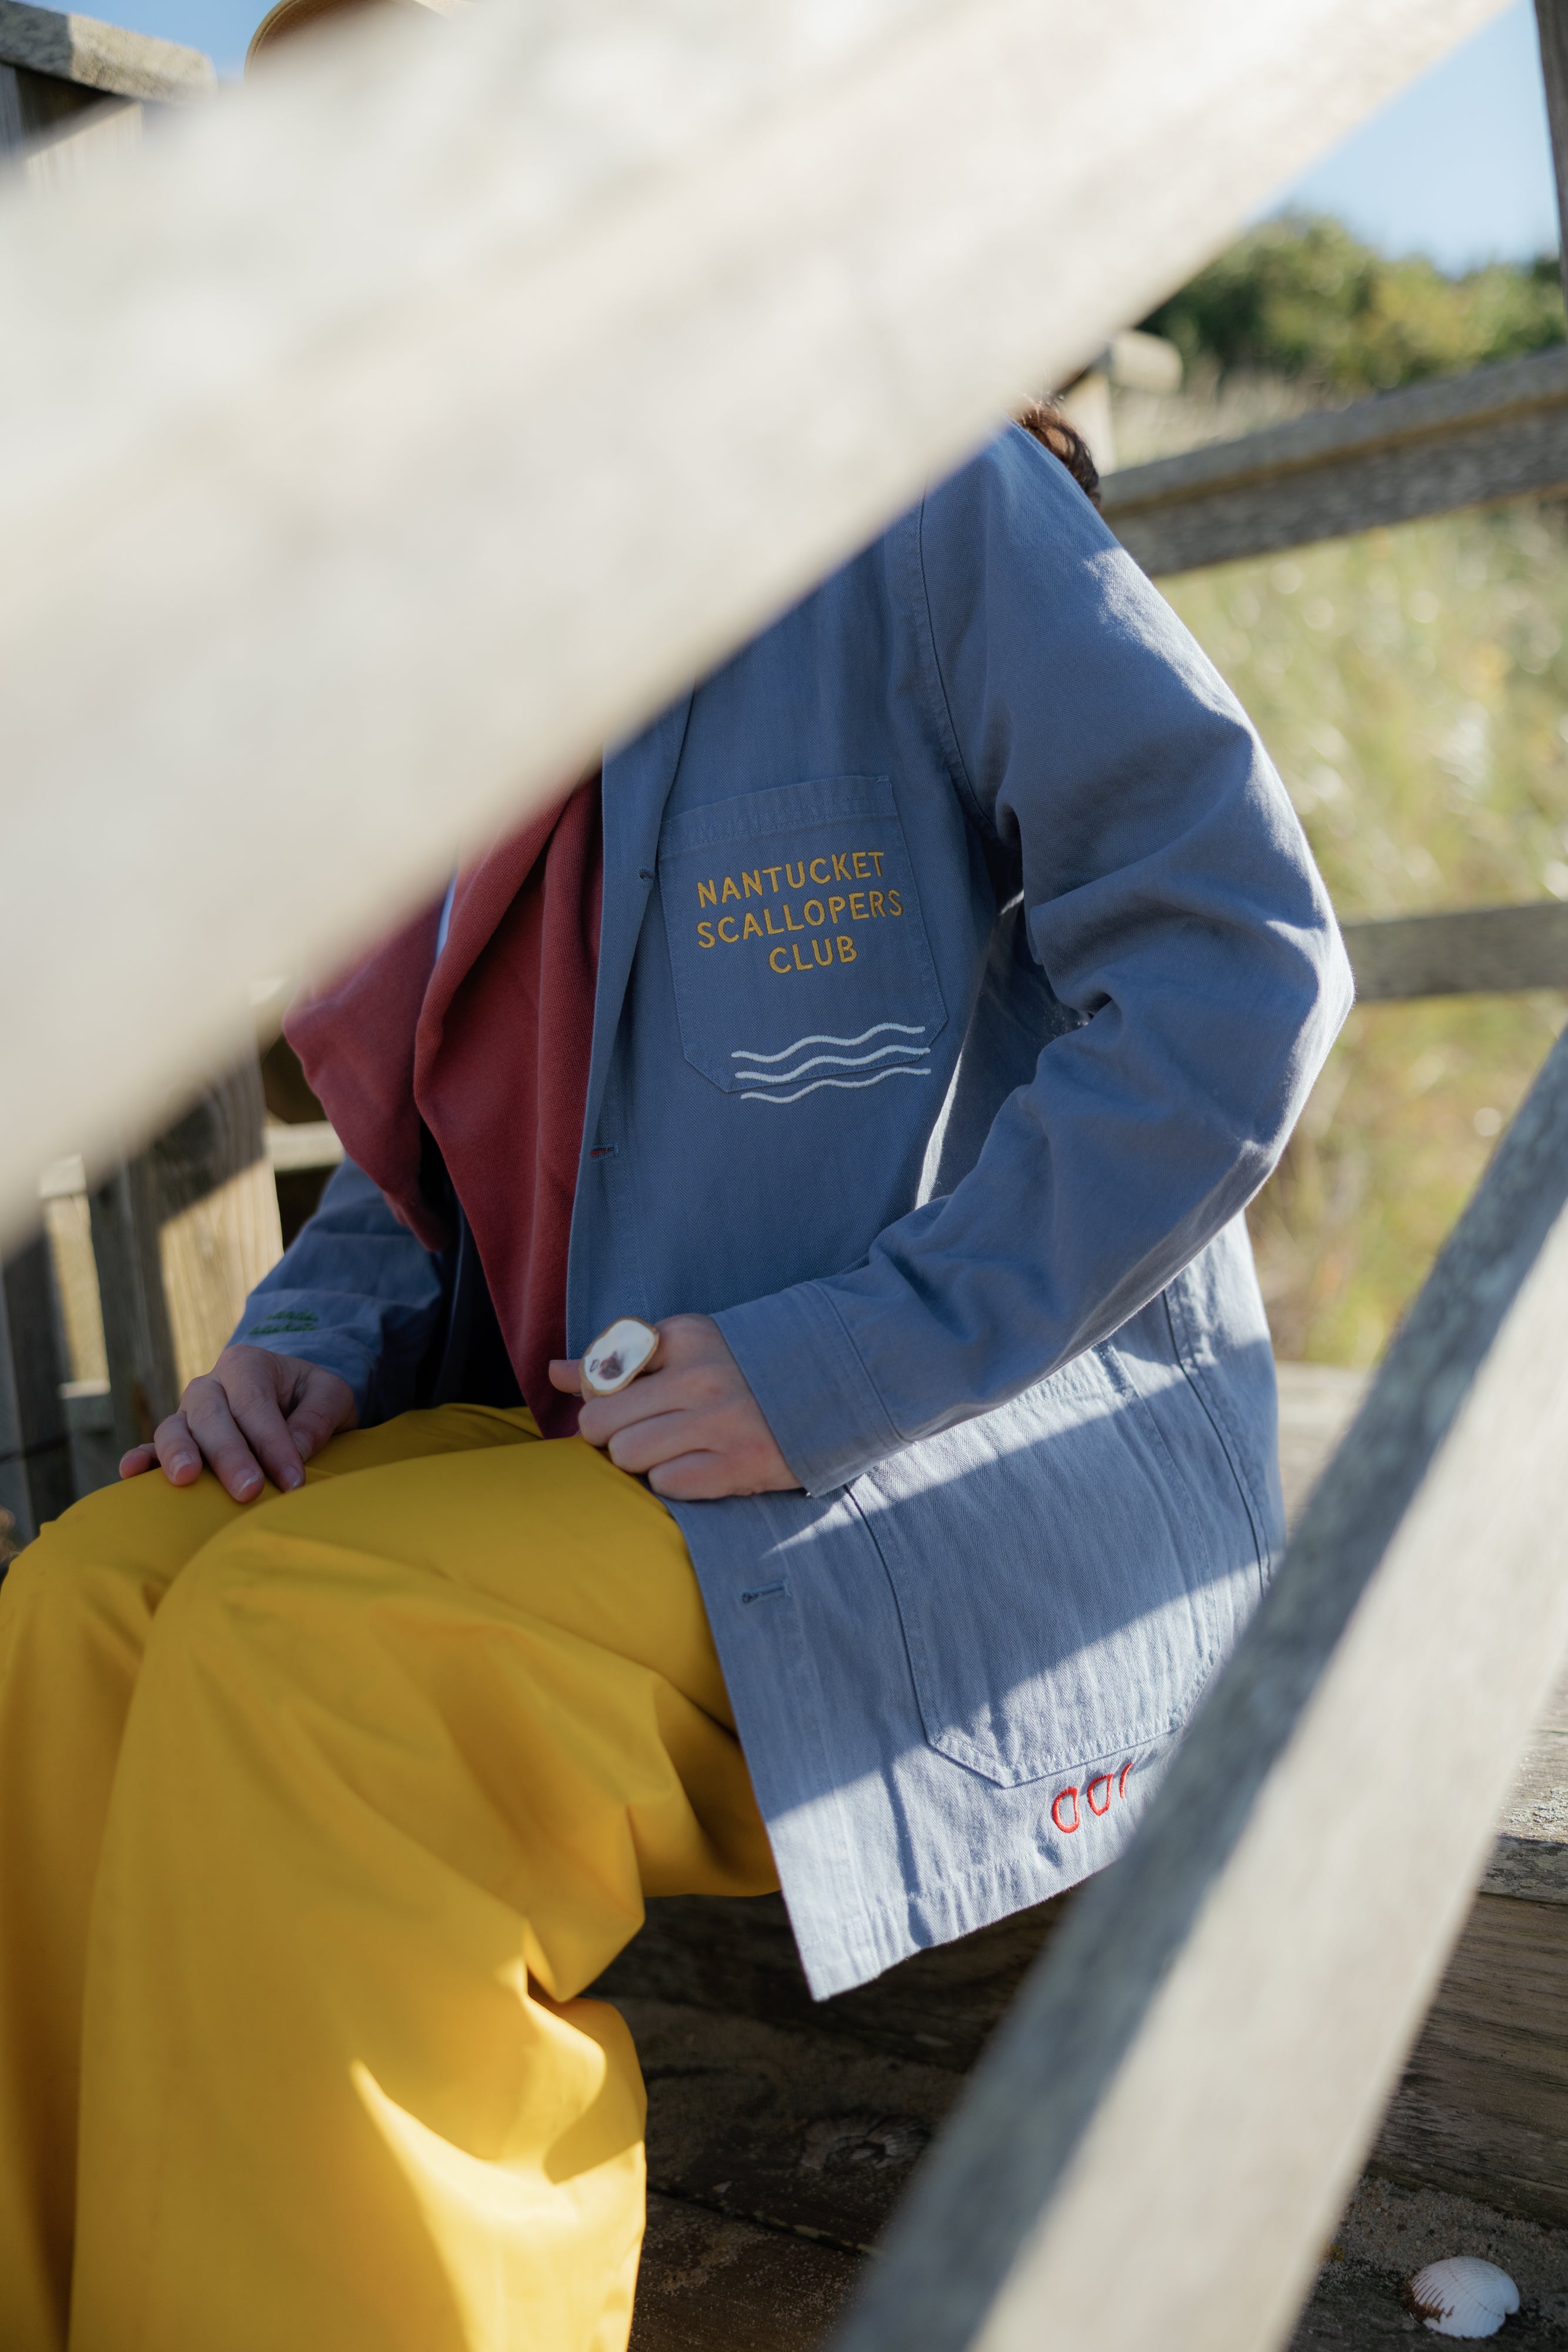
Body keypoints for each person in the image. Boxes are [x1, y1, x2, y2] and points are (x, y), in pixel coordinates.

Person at [0, 39, 1352, 2331]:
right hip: (603, 1457)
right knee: (84, 1606)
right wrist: (306, 1352)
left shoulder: (913, 496)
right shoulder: (453, 642)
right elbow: (446, 1158)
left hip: (929, 1465)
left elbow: (1240, 972)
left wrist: (857, 1355)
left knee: (315, 1668)